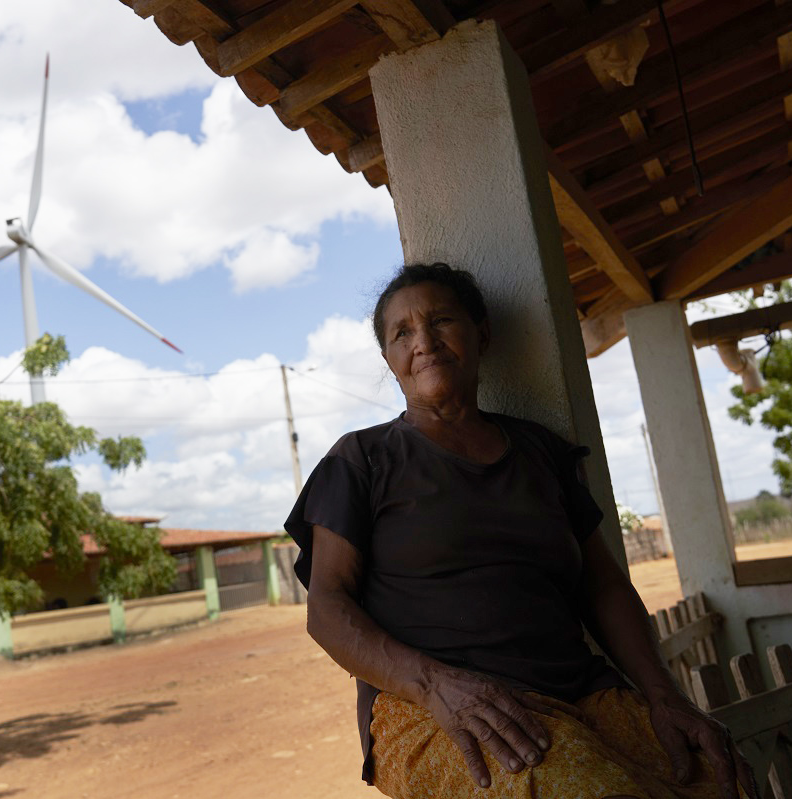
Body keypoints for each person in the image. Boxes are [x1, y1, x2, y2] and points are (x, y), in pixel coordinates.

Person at [284, 264, 756, 799]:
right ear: (390, 360)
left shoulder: (541, 452)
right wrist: (436, 684)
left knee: (723, 780)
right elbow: (327, 608)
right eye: (403, 333)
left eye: (441, 320)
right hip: (434, 707)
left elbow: (602, 587)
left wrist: (665, 697)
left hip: (582, 693)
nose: (424, 342)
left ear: (481, 333)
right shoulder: (361, 460)